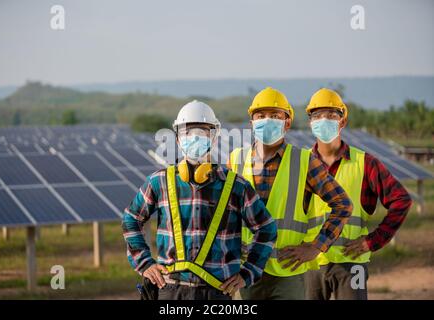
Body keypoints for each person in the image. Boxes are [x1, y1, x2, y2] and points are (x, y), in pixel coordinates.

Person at [122, 100, 277, 300]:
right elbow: (131, 219)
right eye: (187, 132)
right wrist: (144, 263)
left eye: (202, 131)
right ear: (177, 138)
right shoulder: (159, 181)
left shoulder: (237, 186)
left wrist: (248, 273)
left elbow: (267, 228)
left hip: (216, 292)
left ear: (214, 137)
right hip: (169, 290)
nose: (194, 137)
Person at [228, 87, 353, 300]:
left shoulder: (304, 161)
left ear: (287, 123)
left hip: (289, 272)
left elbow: (343, 205)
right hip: (247, 271)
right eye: (261, 116)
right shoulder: (235, 159)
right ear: (251, 123)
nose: (267, 120)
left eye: (275, 116)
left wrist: (316, 247)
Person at [303, 88, 412, 300]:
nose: (323, 120)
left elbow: (401, 200)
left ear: (342, 121)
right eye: (317, 115)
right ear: (310, 123)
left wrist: (372, 241)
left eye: (331, 115)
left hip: (352, 260)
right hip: (311, 261)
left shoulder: (365, 163)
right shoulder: (300, 164)